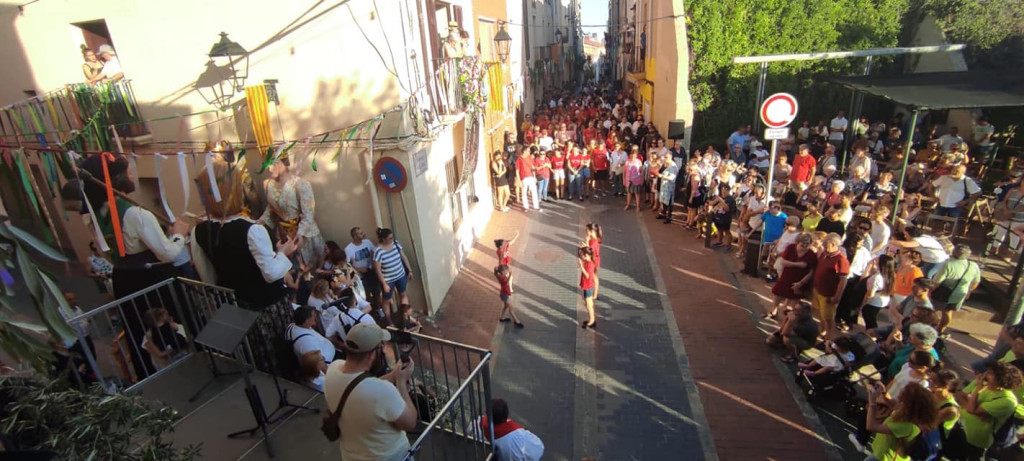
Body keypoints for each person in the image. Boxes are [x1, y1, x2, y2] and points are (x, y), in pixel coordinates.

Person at [80, 153, 190, 379]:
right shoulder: (136, 214)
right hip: (150, 279)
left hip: (124, 279)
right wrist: (179, 235)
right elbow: (167, 253)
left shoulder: (95, 215)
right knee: (168, 325)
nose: (133, 175)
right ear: (117, 178)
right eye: (128, 171)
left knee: (137, 331)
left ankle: (149, 374)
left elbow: (113, 252)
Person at [191, 157, 297, 309]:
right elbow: (271, 273)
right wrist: (283, 253)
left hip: (237, 305)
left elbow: (208, 277)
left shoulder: (198, 231)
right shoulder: (252, 230)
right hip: (266, 306)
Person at [324, 323, 417, 461]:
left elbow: (360, 385)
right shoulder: (382, 391)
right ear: (372, 354)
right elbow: (409, 423)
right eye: (381, 347)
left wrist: (393, 375)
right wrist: (401, 383)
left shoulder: (333, 369)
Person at [259, 153, 326, 271]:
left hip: (303, 233)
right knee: (290, 268)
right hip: (283, 233)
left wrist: (301, 234)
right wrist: (260, 221)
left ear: (285, 163)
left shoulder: (300, 184)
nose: (270, 169)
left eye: (274, 164)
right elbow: (271, 208)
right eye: (267, 165)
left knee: (309, 267)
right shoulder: (267, 185)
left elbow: (308, 214)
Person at [957, 361, 1023, 459]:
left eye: (991, 373)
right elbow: (959, 396)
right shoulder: (982, 381)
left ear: (1002, 379)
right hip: (960, 428)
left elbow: (971, 409)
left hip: (976, 440)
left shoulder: (1007, 401)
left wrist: (976, 392)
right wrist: (973, 408)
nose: (986, 374)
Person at [856, 382, 938, 460]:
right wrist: (884, 392)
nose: (899, 395)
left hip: (884, 458)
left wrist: (872, 403)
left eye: (903, 395)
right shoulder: (909, 416)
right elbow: (893, 405)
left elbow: (871, 426)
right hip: (882, 455)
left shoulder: (906, 426)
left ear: (910, 404)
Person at [932, 244, 981, 337]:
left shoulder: (948, 264)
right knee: (948, 312)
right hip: (959, 294)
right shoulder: (973, 265)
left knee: (932, 310)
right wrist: (969, 291)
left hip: (943, 292)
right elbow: (976, 281)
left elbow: (937, 281)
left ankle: (928, 328)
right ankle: (940, 330)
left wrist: (930, 291)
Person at [476, 399, 545, 461]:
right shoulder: (519, 436)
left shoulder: (476, 427)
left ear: (488, 415)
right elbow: (539, 448)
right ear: (506, 415)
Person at [768, 233, 817, 320]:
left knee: (795, 300)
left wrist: (801, 283)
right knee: (777, 294)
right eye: (803, 243)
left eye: (808, 244)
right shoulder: (791, 248)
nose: (805, 246)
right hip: (786, 277)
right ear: (798, 242)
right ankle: (773, 311)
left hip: (800, 280)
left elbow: (811, 272)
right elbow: (783, 262)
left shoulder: (811, 254)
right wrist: (799, 264)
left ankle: (789, 320)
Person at [812, 233, 849, 341]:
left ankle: (829, 336)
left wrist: (837, 296)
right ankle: (823, 330)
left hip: (828, 293)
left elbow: (843, 280)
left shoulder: (841, 260)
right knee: (821, 313)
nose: (823, 245)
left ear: (833, 244)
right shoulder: (825, 254)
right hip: (818, 290)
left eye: (825, 243)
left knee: (828, 317)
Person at [373, 228, 413, 317]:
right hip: (388, 280)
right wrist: (384, 284)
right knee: (386, 300)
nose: (392, 240)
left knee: (403, 294)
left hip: (400, 275)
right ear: (383, 239)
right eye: (389, 238)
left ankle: (405, 316)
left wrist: (409, 270)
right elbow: (378, 270)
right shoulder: (378, 251)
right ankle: (389, 321)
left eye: (392, 237)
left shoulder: (396, 244)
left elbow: (403, 257)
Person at [346, 227, 382, 307]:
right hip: (360, 276)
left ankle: (379, 309)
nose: (364, 234)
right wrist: (358, 269)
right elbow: (347, 265)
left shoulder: (367, 242)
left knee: (377, 292)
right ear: (355, 236)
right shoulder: (348, 249)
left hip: (372, 273)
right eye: (361, 233)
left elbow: (374, 253)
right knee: (365, 295)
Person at [861, 255, 896, 330]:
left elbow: (870, 294)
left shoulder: (877, 277)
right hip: (884, 300)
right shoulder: (891, 275)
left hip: (873, 302)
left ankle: (872, 336)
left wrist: (863, 304)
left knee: (870, 321)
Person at [578, 246, 597, 329]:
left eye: (582, 255)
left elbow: (587, 275)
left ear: (586, 255)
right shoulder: (588, 262)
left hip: (588, 286)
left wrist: (581, 267)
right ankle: (591, 319)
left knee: (589, 305)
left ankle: (591, 321)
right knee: (588, 303)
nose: (581, 256)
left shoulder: (589, 264)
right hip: (588, 285)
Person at [657, 153, 680, 223]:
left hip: (669, 187)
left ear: (670, 157)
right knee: (664, 201)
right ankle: (663, 213)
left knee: (669, 202)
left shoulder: (673, 166)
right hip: (664, 186)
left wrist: (662, 176)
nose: (665, 159)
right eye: (665, 157)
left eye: (666, 157)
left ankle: (669, 217)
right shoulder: (665, 164)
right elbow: (660, 171)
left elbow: (672, 178)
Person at [622, 146, 644, 211]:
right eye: (631, 155)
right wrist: (624, 180)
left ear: (636, 155)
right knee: (629, 193)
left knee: (637, 193)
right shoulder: (627, 162)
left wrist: (642, 180)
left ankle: (638, 206)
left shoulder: (638, 162)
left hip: (636, 180)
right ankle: (628, 204)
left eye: (634, 155)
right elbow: (624, 172)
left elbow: (641, 172)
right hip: (628, 180)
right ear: (630, 155)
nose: (632, 157)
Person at [585, 223, 603, 300]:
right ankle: (595, 294)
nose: (586, 232)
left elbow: (588, 251)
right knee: (595, 276)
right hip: (596, 260)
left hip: (593, 261)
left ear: (591, 231)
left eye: (587, 230)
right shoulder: (597, 239)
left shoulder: (592, 242)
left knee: (594, 277)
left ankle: (594, 295)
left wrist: (586, 242)